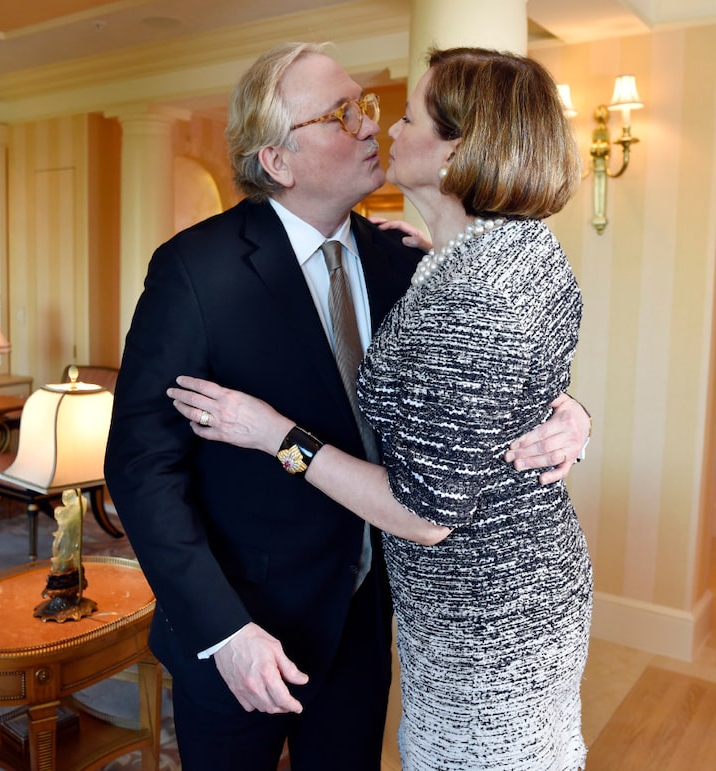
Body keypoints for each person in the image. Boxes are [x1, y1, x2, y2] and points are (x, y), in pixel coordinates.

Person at [105, 42, 591, 771]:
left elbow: (480, 378)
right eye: (342, 114)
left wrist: (568, 414)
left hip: (370, 620)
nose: (372, 124)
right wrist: (223, 630)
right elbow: (141, 470)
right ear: (277, 159)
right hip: (246, 632)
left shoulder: (407, 257)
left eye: (366, 106)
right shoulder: (193, 272)